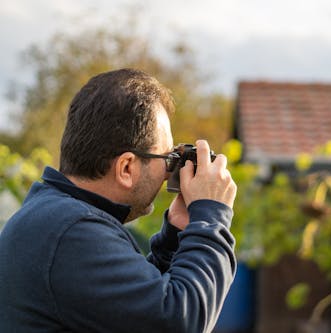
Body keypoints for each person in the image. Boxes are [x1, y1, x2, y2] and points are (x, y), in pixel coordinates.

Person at [0, 68, 237, 332]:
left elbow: (132, 311)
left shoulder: (54, 218)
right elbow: (179, 322)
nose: (169, 172)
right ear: (126, 168)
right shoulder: (71, 231)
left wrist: (176, 234)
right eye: (168, 159)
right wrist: (212, 217)